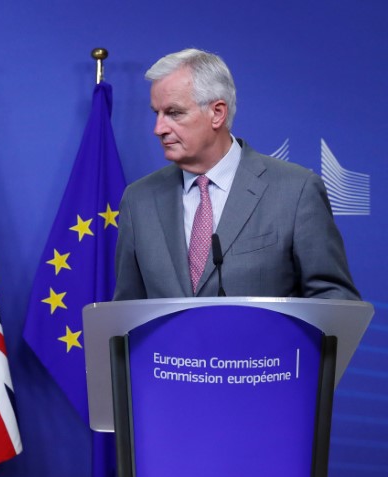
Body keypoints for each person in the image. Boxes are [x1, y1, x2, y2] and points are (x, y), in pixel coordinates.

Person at [113, 48, 359, 301]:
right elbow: (127, 309)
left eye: (174, 113)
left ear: (217, 113)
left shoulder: (296, 191)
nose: (159, 128)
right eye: (157, 113)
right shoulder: (138, 200)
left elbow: (334, 300)